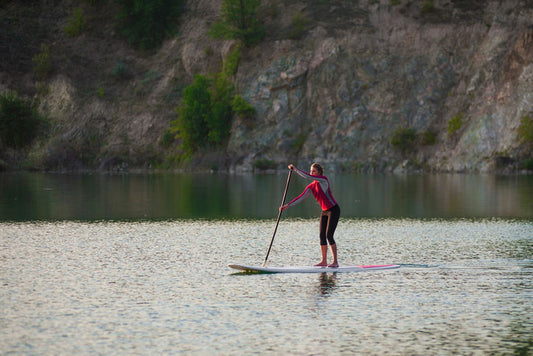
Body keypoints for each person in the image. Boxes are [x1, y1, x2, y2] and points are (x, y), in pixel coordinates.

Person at [280, 163, 341, 267]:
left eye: (314, 171)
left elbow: (308, 177)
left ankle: (335, 262)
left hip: (333, 210)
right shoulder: (311, 186)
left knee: (329, 235)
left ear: (319, 173)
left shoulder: (323, 180)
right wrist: (287, 205)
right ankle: (324, 261)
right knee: (322, 236)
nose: (311, 173)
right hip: (324, 211)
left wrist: (295, 169)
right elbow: (301, 197)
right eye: (311, 171)